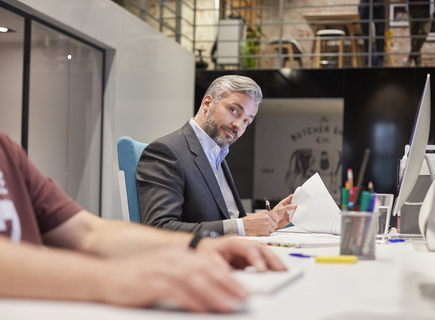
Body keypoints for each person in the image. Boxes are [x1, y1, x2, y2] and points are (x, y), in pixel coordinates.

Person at [0, 130, 286, 313]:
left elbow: (89, 232)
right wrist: (117, 276)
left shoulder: (7, 151)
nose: (239, 125)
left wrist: (197, 246)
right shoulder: (171, 151)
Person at [136, 75, 296, 236]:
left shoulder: (217, 156)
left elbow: (228, 218)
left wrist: (269, 222)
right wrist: (241, 227)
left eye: (247, 121)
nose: (238, 126)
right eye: (234, 111)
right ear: (207, 103)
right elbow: (159, 229)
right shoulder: (166, 152)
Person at [404, 0, 435, 66]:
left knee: (424, 32)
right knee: (414, 38)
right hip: (413, 8)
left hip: (426, 8)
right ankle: (418, 66)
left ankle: (410, 57)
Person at [358, 0, 386, 66]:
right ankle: (369, 62)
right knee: (366, 35)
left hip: (378, 2)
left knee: (380, 34)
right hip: (364, 3)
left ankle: (378, 63)